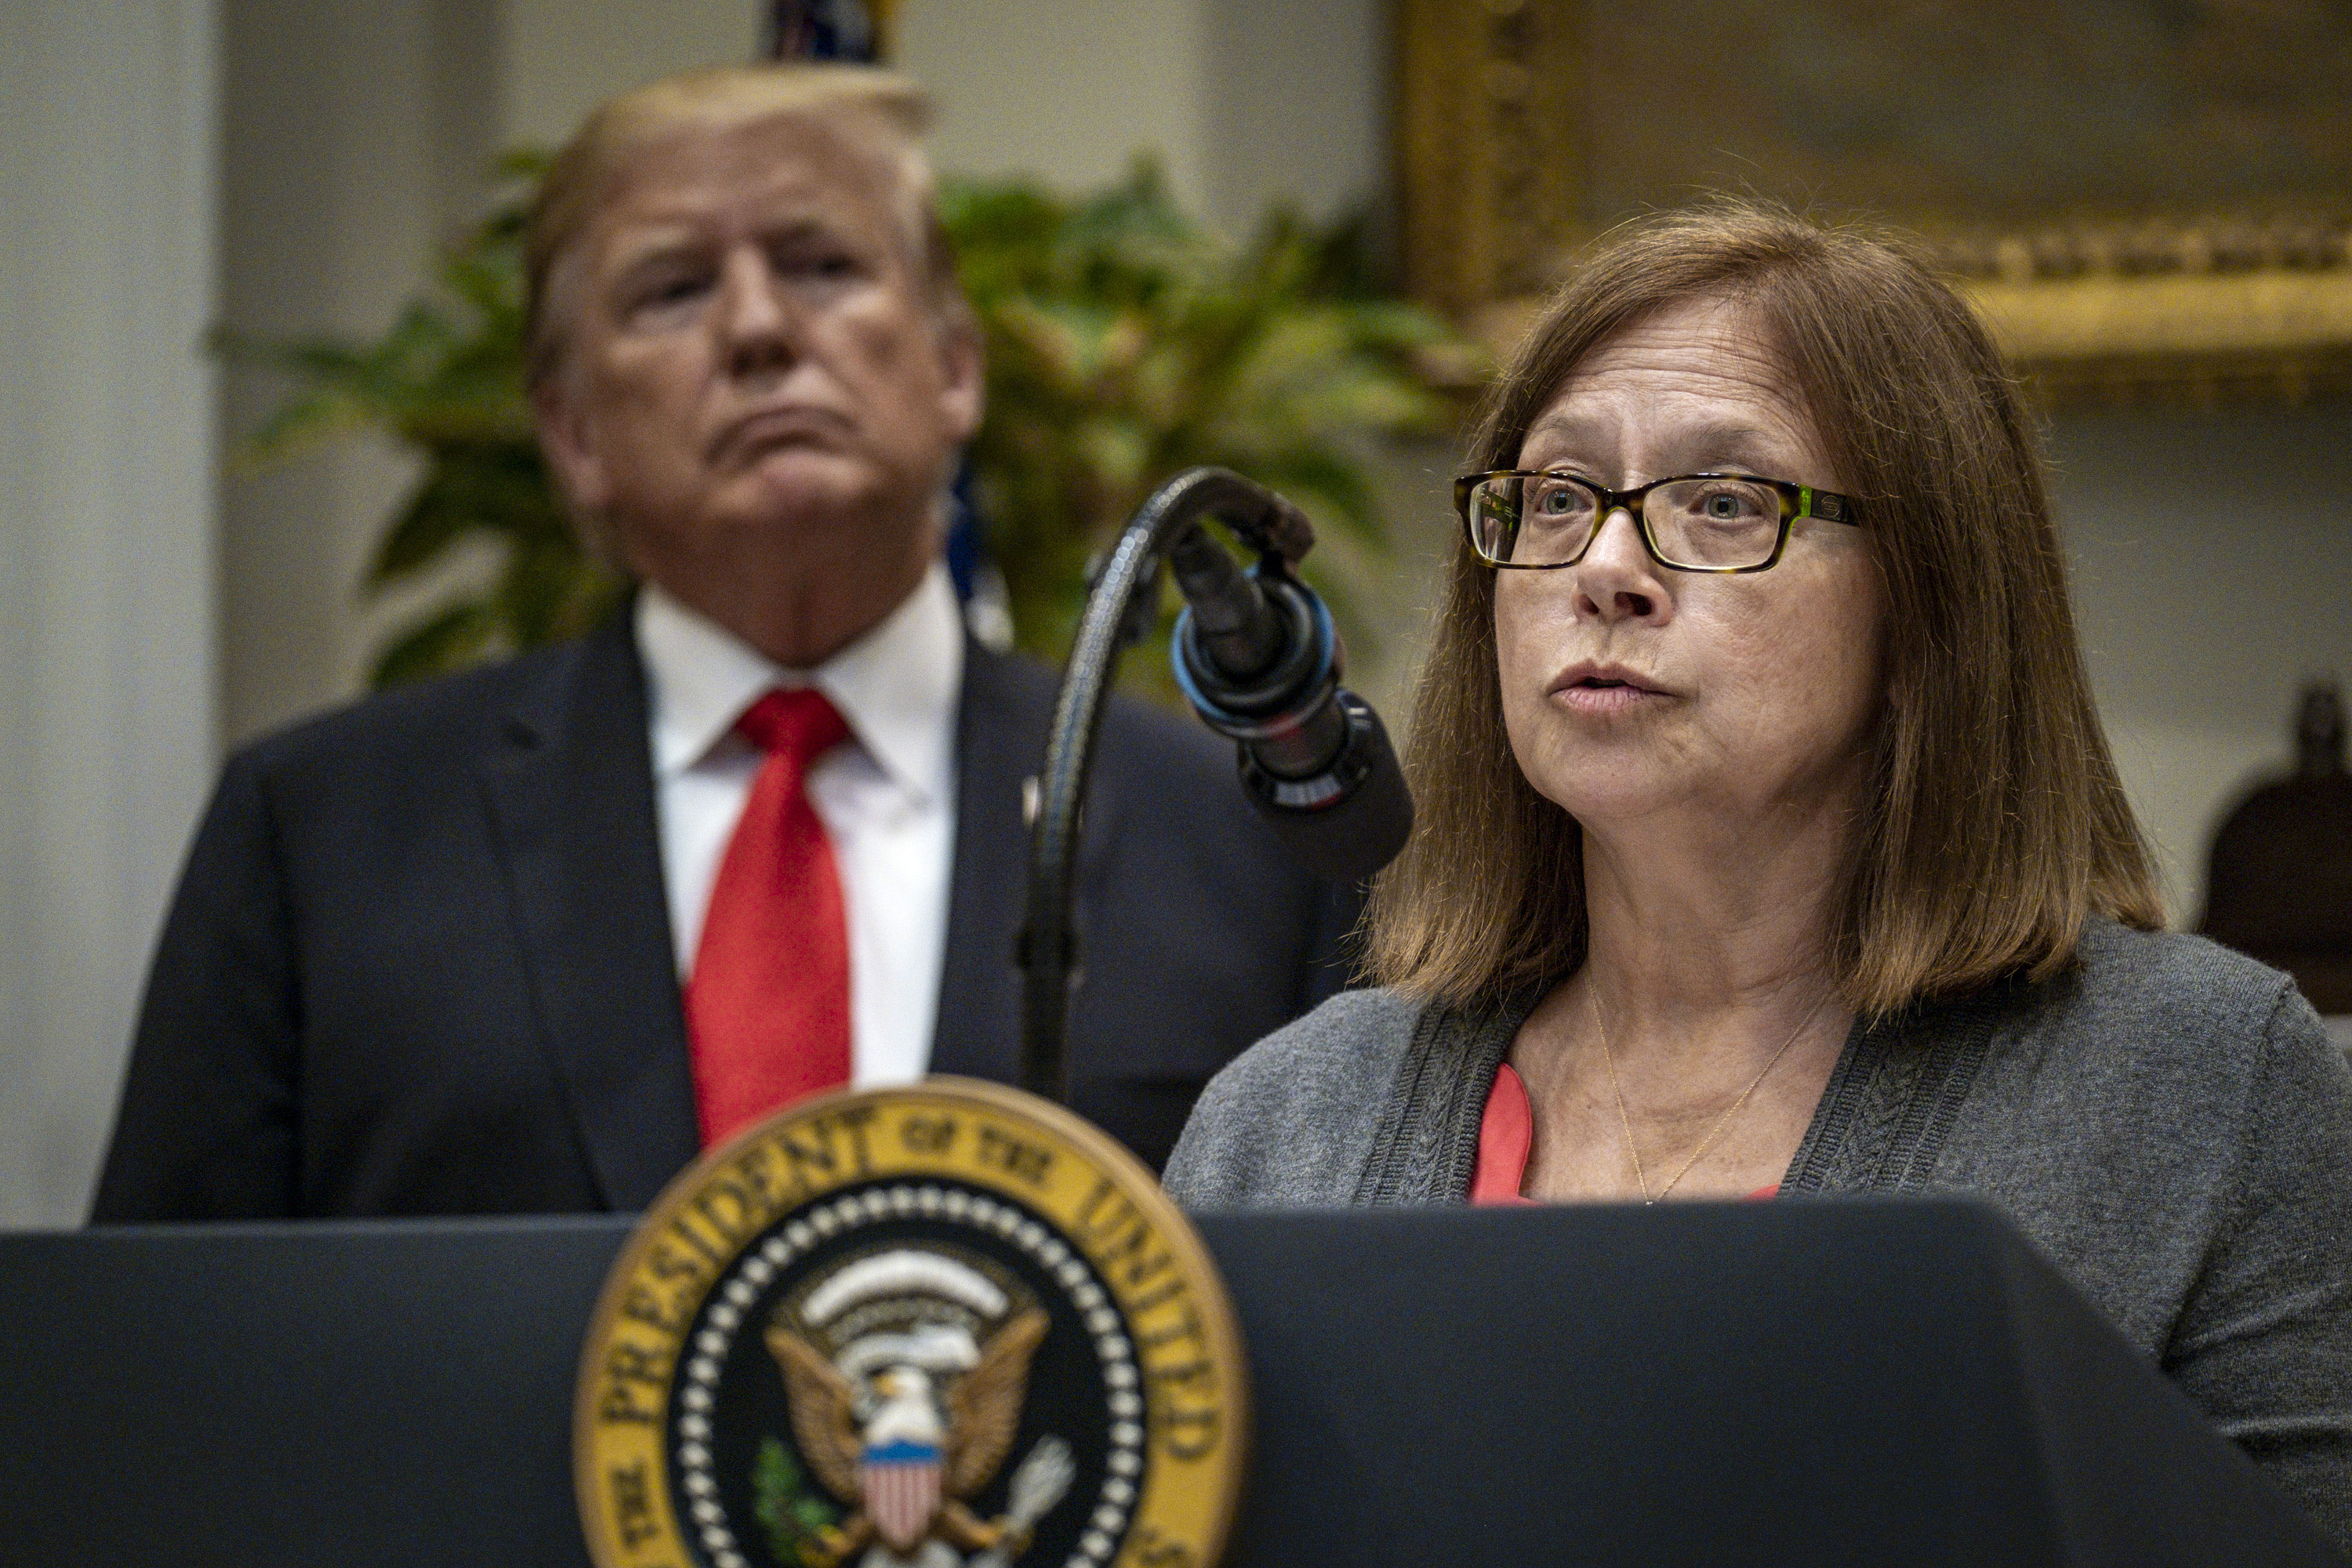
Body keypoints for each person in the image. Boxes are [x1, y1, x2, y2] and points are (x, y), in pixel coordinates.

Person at [1163, 201, 2352, 1534]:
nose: (1605, 567)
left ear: (1928, 610)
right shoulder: (1287, 1122)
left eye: (1724, 504)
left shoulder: (2203, 1082)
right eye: (1556, 498)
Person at [92, 64, 1353, 1220]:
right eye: (672, 289)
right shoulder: (322, 838)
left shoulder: (1243, 849)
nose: (757, 330)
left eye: (821, 265)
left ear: (955, 368)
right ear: (572, 431)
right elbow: (158, 1376)